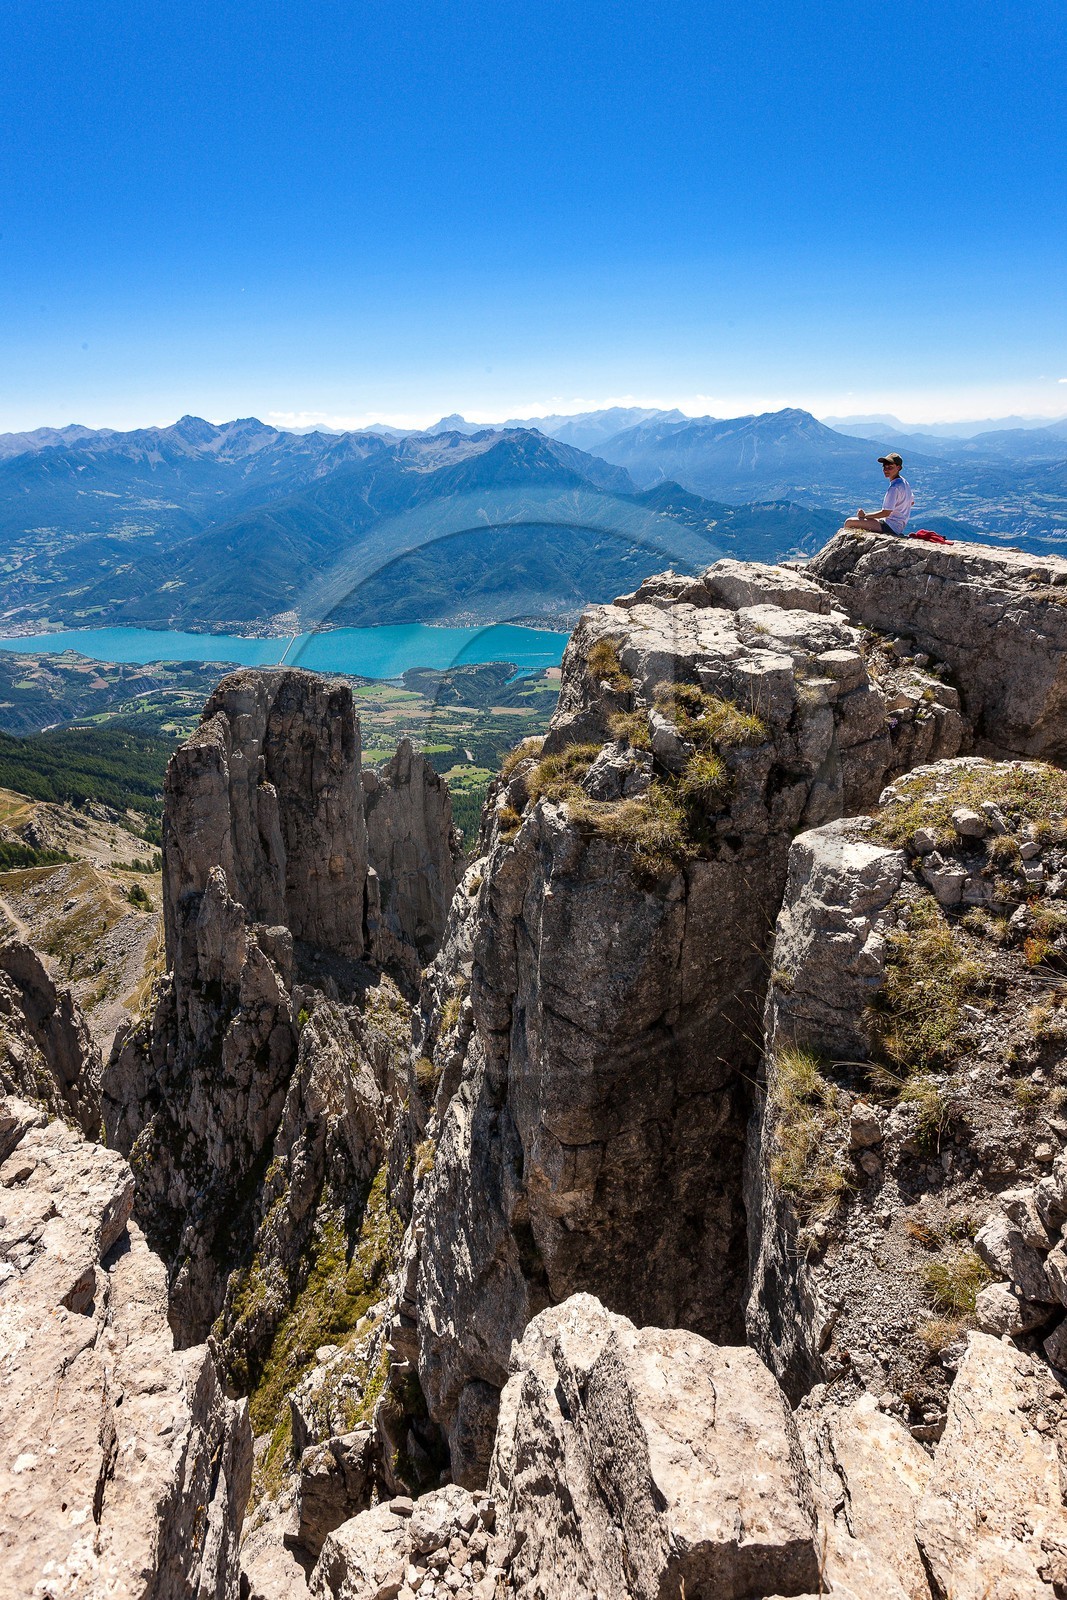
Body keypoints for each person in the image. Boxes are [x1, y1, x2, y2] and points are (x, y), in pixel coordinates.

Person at [844, 453, 914, 535]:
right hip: (897, 525)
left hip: (890, 527)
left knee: (849, 522)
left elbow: (885, 513)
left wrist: (864, 516)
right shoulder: (904, 483)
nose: (886, 470)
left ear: (899, 468)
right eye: (884, 467)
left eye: (890, 467)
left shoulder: (894, 488)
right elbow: (911, 502)